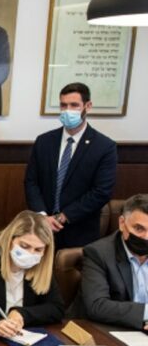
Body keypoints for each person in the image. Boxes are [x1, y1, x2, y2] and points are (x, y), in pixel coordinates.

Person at [24, 82, 117, 250]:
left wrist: (64, 216)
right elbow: (31, 182)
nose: (68, 110)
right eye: (63, 105)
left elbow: (101, 191)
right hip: (40, 229)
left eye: (74, 105)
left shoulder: (104, 146)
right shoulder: (44, 141)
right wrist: (43, 216)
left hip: (80, 232)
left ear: (87, 106)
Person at [77, 194, 148, 331]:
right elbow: (97, 306)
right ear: (122, 223)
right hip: (108, 332)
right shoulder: (98, 253)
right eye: (139, 229)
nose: (146, 237)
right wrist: (145, 313)